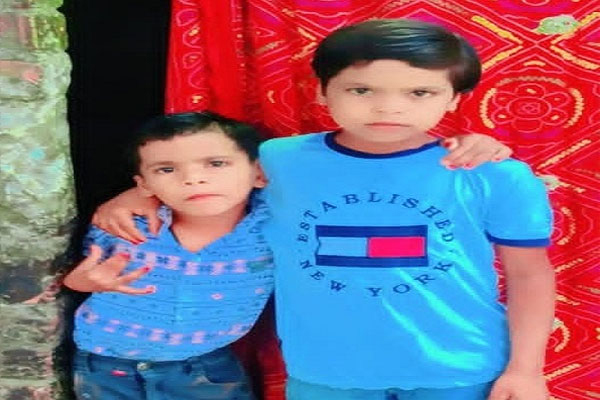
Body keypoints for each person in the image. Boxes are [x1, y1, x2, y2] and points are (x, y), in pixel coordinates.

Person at [75, 19, 555, 400]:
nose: (388, 108)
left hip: (460, 365)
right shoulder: (276, 160)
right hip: (327, 369)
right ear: (323, 91)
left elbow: (529, 274)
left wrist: (526, 370)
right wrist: (139, 195)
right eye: (361, 90)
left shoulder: (492, 174)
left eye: (419, 92)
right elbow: (196, 175)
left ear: (454, 99)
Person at [63, 111, 273, 400]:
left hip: (204, 365)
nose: (193, 179)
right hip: (106, 366)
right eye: (166, 169)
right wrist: (80, 282)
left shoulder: (273, 227)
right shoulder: (123, 226)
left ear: (259, 173)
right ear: (144, 184)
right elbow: (80, 276)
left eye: (216, 163)